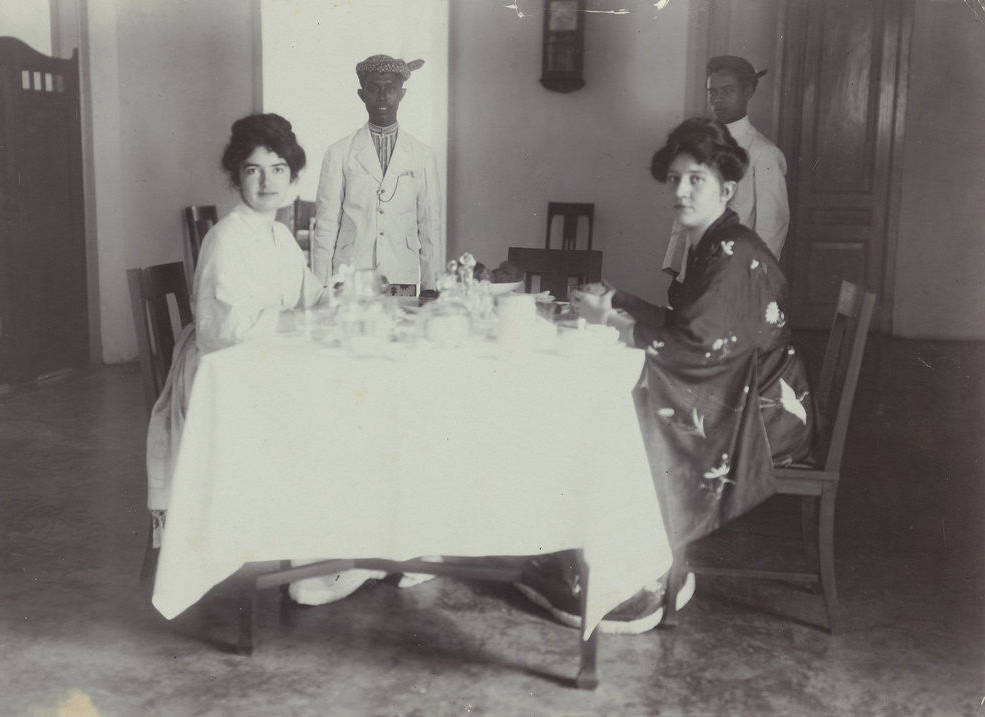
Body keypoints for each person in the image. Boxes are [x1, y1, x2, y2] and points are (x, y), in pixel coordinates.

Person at [516, 118, 815, 635]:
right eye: (675, 178)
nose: (680, 191)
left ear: (726, 187)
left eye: (695, 179)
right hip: (740, 388)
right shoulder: (713, 242)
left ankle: (641, 577)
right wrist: (623, 301)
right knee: (617, 410)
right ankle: (623, 562)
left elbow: (694, 349)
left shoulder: (733, 253)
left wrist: (613, 321)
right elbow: (690, 325)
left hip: (762, 416)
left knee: (621, 423)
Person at [145, 113, 325, 547]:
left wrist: (343, 295)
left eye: (278, 169)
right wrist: (300, 319)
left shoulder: (279, 235)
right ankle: (311, 549)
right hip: (221, 373)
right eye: (253, 170)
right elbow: (222, 330)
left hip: (259, 362)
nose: (267, 182)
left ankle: (325, 540)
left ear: (293, 176)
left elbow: (311, 297)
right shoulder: (226, 238)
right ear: (236, 178)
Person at [312, 54, 443, 294]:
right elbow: (326, 225)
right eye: (373, 89)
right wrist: (320, 286)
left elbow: (430, 224)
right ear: (362, 95)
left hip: (402, 273)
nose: (382, 97)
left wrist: (431, 285)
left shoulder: (422, 155)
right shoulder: (339, 152)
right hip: (350, 275)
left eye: (390, 89)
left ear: (402, 94)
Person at [662, 55, 790, 280]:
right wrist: (675, 267)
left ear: (748, 91)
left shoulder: (763, 153)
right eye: (713, 92)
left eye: (728, 91)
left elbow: (772, 226)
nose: (718, 100)